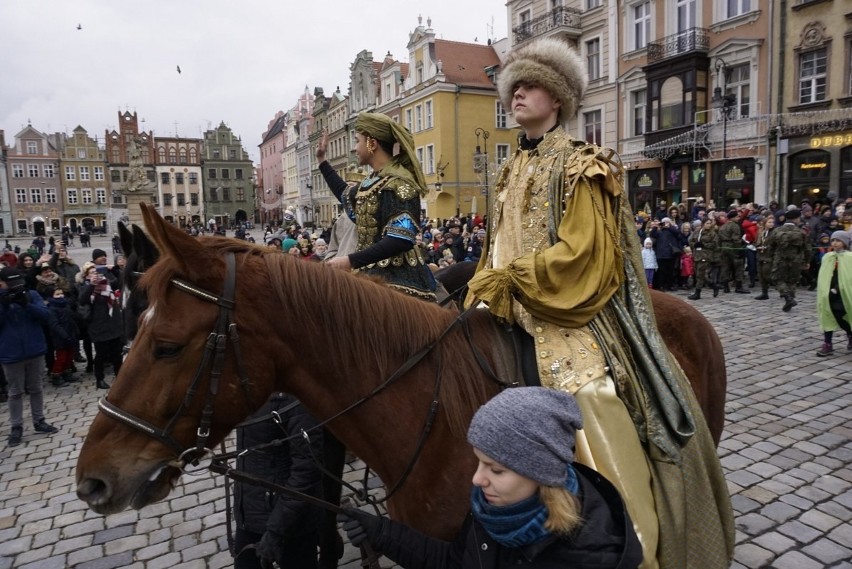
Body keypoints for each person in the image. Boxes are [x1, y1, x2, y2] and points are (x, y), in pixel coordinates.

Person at [463, 37, 733, 569]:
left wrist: (511, 280)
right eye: (511, 86)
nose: (516, 94)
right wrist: (481, 290)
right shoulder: (510, 168)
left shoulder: (582, 164)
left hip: (568, 316)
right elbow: (496, 244)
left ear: (558, 98)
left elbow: (582, 258)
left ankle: (636, 543)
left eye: (530, 84)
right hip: (506, 308)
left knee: (591, 395)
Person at [337, 387, 642, 569]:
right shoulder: (497, 510)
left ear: (541, 474)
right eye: (480, 463)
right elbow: (456, 563)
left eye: (496, 469)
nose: (477, 479)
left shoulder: (587, 557)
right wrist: (381, 533)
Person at [316, 114, 437, 301]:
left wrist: (349, 260)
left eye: (357, 141)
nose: (354, 148)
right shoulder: (373, 182)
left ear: (372, 143)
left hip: (398, 278)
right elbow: (344, 194)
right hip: (371, 274)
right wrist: (322, 161)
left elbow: (400, 239)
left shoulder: (399, 183)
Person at [233, 392, 325, 569]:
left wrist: (276, 531)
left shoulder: (296, 402)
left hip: (294, 525)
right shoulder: (248, 389)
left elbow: (307, 472)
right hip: (249, 516)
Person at [0, 267, 59, 447]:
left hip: (35, 349)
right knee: (15, 392)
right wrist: (4, 304)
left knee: (36, 388)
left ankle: (39, 420)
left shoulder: (31, 294)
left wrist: (27, 304)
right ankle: (16, 426)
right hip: (11, 353)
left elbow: (45, 315)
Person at [78, 251, 123, 389]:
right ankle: (100, 378)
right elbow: (82, 300)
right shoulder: (85, 287)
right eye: (91, 272)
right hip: (98, 326)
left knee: (117, 354)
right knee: (101, 355)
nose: (94, 274)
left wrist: (114, 269)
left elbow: (121, 282)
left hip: (113, 324)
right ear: (86, 275)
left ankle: (120, 377)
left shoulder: (107, 284)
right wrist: (92, 285)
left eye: (96, 271)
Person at [815, 230, 852, 356]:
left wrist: (837, 288)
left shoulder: (849, 258)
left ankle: (850, 334)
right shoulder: (828, 257)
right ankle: (828, 343)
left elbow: (848, 277)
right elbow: (824, 275)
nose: (835, 243)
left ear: (845, 242)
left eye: (838, 241)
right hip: (828, 293)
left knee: (842, 314)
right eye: (833, 240)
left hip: (843, 293)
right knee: (826, 313)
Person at [766, 208, 810, 312]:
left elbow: (770, 246)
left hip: (780, 258)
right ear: (796, 219)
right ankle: (790, 298)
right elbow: (807, 248)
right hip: (796, 259)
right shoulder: (801, 232)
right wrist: (807, 261)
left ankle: (787, 297)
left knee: (778, 279)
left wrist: (772, 258)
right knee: (792, 280)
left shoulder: (777, 231)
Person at [688, 218, 721, 300]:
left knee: (700, 274)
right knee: (699, 274)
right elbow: (690, 240)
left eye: (710, 223)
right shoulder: (697, 232)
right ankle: (714, 285)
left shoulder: (712, 233)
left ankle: (697, 293)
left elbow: (714, 244)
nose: (708, 225)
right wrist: (695, 245)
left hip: (705, 255)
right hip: (697, 255)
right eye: (707, 223)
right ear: (703, 224)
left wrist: (704, 244)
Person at [754, 216, 776, 300]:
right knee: (761, 276)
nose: (771, 224)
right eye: (769, 222)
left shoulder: (774, 233)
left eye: (772, 222)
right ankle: (764, 292)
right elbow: (757, 242)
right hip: (761, 256)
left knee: (768, 276)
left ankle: (784, 292)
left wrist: (767, 247)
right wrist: (758, 246)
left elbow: (775, 245)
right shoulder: (762, 232)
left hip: (769, 257)